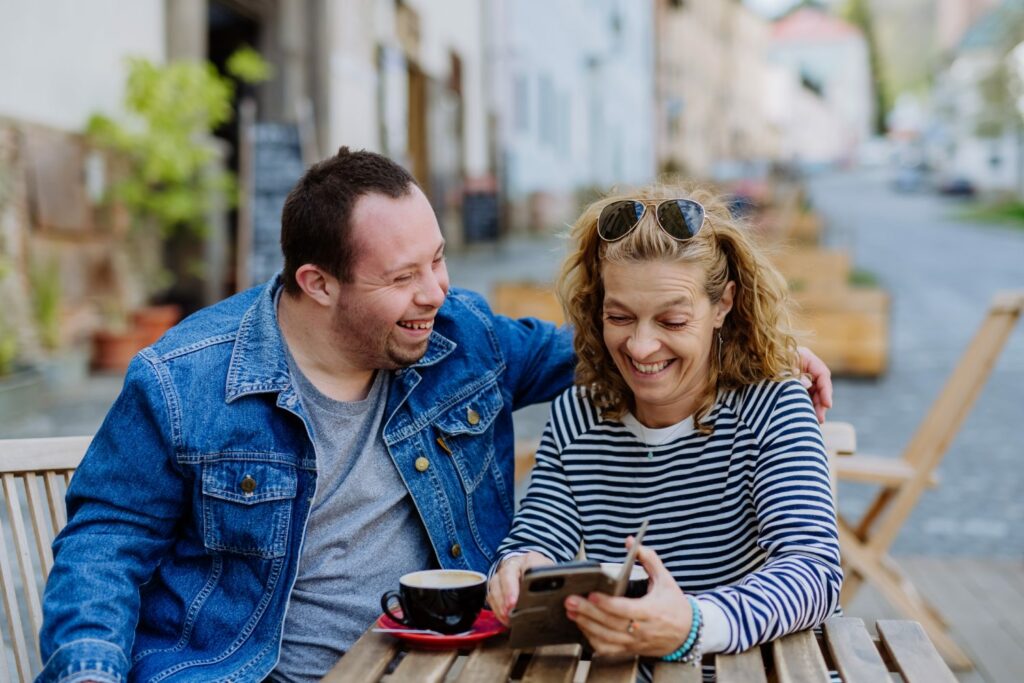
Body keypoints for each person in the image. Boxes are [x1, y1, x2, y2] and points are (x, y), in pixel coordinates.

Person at [38, 150, 832, 683]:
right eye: (405, 275)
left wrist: (766, 353)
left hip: (442, 667)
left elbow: (616, 343)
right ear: (318, 283)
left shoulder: (464, 337)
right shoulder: (187, 381)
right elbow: (103, 548)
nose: (439, 292)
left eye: (441, 258)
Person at [488, 185, 842, 672]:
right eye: (619, 317)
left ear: (723, 305)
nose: (640, 346)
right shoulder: (577, 415)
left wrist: (692, 624)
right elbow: (538, 536)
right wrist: (518, 569)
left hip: (756, 666)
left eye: (672, 321)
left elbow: (813, 570)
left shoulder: (771, 404)